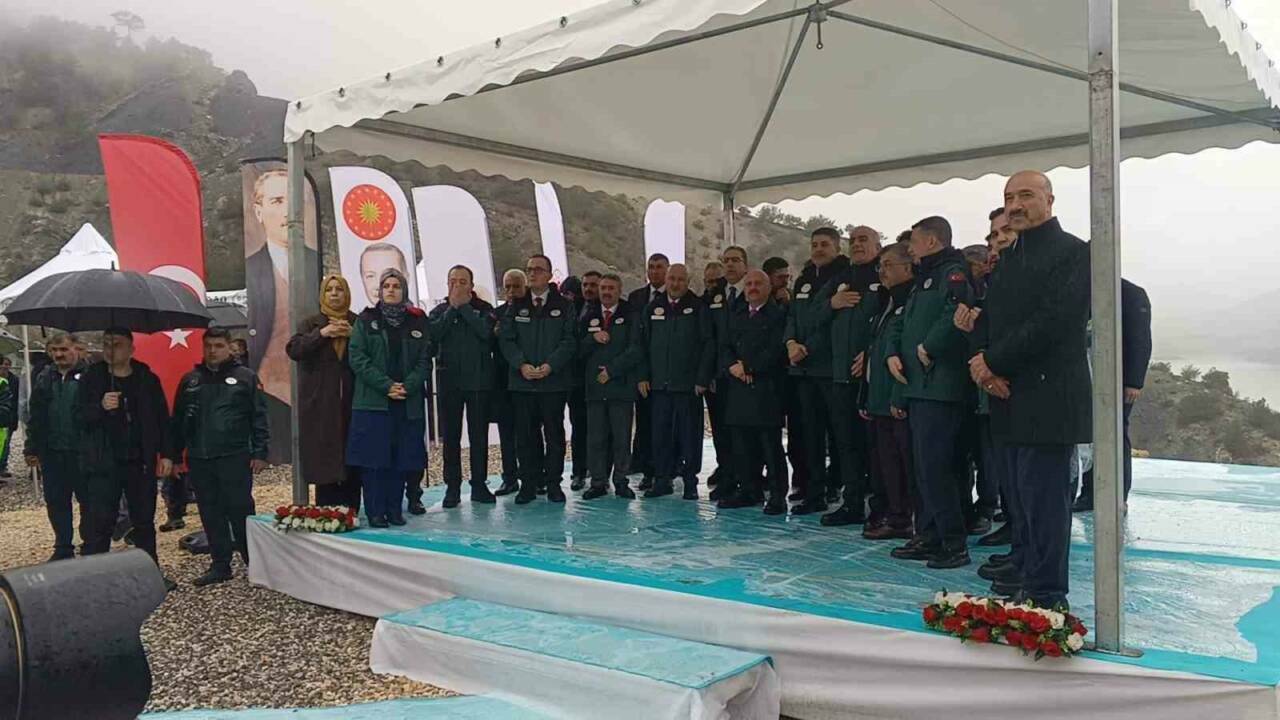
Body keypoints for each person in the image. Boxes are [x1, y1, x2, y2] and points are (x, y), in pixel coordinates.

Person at [966, 170, 1091, 610]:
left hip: (1048, 400)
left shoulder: (1075, 253)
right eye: (1008, 198)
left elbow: (1057, 321)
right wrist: (982, 366)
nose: (1015, 205)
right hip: (1006, 397)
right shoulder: (1010, 257)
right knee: (1019, 501)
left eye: (1026, 195)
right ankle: (1027, 576)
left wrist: (993, 362)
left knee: (1045, 504)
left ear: (1050, 200)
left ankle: (1047, 596)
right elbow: (989, 319)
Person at [887, 216, 973, 570]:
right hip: (918, 387)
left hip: (941, 386)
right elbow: (901, 320)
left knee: (938, 468)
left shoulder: (953, 274)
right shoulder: (923, 278)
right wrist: (893, 351)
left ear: (932, 242)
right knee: (923, 468)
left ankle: (953, 542)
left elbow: (956, 312)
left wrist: (930, 347)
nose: (910, 248)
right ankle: (928, 534)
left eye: (915, 242)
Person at [79, 329, 176, 590]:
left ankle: (150, 574)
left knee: (143, 521)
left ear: (131, 349)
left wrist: (167, 453)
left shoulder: (146, 378)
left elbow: (161, 418)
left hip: (139, 461)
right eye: (106, 344)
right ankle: (95, 580)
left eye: (117, 345)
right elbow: (79, 417)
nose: (110, 350)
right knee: (101, 523)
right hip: (104, 462)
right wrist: (100, 407)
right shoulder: (92, 378)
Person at [172, 328, 270, 586]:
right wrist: (175, 455)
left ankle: (255, 563)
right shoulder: (191, 380)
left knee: (240, 509)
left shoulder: (245, 377)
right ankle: (220, 565)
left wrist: (260, 452)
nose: (212, 351)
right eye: (208, 346)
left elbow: (259, 416)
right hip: (200, 457)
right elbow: (178, 421)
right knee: (210, 511)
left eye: (218, 346)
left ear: (229, 347)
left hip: (234, 455)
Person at [346, 269, 431, 526]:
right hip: (374, 403)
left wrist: (408, 385)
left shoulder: (417, 322)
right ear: (380, 291)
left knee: (401, 459)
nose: (391, 290)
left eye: (396, 286)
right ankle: (375, 511)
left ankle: (395, 510)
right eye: (387, 286)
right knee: (374, 461)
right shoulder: (366, 320)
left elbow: (425, 359)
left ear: (404, 290)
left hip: (406, 402)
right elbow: (357, 358)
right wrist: (386, 386)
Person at [499, 254, 577, 504]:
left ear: (549, 274)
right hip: (523, 384)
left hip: (553, 384)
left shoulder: (564, 305)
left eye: (538, 269)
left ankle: (553, 484)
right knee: (525, 437)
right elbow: (506, 339)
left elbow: (569, 340)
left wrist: (550, 366)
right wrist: (520, 364)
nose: (532, 273)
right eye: (529, 269)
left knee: (554, 436)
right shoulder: (517, 304)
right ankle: (528, 485)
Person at [784, 227, 852, 515]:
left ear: (837, 247)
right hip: (803, 371)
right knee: (809, 435)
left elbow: (832, 324)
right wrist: (790, 343)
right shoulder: (804, 279)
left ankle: (839, 486)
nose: (819, 249)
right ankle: (814, 492)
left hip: (829, 368)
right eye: (814, 245)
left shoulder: (845, 278)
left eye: (825, 244)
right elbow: (793, 316)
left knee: (839, 436)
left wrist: (807, 348)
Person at [821, 225, 883, 526]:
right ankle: (853, 503)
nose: (857, 244)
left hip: (874, 380)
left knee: (879, 448)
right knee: (846, 446)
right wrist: (831, 304)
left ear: (877, 245)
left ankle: (885, 508)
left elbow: (895, 320)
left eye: (863, 240)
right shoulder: (839, 279)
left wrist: (872, 352)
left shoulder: (885, 275)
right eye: (853, 240)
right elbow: (811, 316)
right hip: (841, 379)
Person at [634, 263, 714, 499]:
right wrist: (643, 376)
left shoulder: (698, 307)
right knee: (660, 435)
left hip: (688, 387)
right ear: (666, 281)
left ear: (688, 282)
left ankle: (690, 482)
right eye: (672, 279)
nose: (675, 284)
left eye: (680, 279)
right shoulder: (653, 308)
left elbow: (708, 344)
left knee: (689, 437)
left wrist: (702, 378)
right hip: (659, 386)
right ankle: (662, 480)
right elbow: (641, 345)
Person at [1072, 279, 1152, 512]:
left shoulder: (1131, 294)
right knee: (1091, 435)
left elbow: (1141, 340)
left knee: (1115, 435)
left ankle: (1118, 496)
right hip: (1088, 376)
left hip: (1119, 381)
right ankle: (1090, 494)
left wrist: (1134, 382)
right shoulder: (1082, 290)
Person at [286, 274, 361, 510]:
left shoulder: (358, 323)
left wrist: (355, 336)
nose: (335, 294)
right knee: (324, 461)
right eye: (330, 289)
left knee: (353, 459)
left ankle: (352, 510)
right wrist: (323, 334)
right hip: (321, 406)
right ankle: (327, 516)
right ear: (322, 295)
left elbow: (373, 354)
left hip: (353, 404)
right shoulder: (311, 324)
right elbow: (294, 350)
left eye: (339, 289)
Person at [717, 270, 788, 513]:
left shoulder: (778, 315)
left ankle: (777, 495)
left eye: (758, 283)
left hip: (766, 390)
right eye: (749, 284)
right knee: (742, 446)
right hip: (738, 389)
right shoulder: (736, 314)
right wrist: (733, 366)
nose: (753, 288)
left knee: (770, 447)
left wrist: (749, 367)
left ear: (768, 288)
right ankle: (749, 490)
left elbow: (777, 350)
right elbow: (724, 345)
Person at [428, 265, 499, 508]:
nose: (457, 286)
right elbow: (433, 335)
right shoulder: (438, 311)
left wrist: (465, 308)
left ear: (471, 285)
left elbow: (487, 334)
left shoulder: (485, 309)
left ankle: (479, 484)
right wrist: (452, 309)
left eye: (462, 281)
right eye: (453, 281)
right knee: (451, 437)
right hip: (449, 382)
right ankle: (452, 487)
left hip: (478, 381)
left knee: (478, 436)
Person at [859, 244, 917, 540]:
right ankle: (894, 515)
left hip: (897, 401)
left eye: (888, 265)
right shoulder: (887, 301)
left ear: (907, 267)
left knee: (904, 465)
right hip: (878, 399)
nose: (882, 271)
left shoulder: (911, 300)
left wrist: (898, 396)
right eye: (879, 266)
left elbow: (906, 354)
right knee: (886, 465)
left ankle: (906, 519)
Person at [25, 333, 87, 562]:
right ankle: (63, 546)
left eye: (64, 349)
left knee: (89, 500)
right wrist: (31, 448)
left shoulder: (91, 376)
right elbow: (36, 415)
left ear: (76, 349)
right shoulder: (45, 377)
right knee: (56, 500)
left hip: (83, 452)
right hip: (53, 452)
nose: (59, 354)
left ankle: (91, 542)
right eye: (54, 350)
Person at [580, 273, 640, 499]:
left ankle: (621, 481)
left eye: (611, 288)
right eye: (603, 288)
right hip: (595, 388)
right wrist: (592, 339)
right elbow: (576, 348)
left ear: (619, 290)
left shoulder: (630, 314)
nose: (606, 292)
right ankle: (598, 482)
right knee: (595, 439)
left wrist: (612, 371)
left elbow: (636, 349)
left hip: (620, 387)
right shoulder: (588, 315)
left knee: (621, 439)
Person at [706, 246, 748, 497]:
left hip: (745, 373)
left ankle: (749, 480)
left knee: (744, 432)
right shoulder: (715, 294)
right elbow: (707, 336)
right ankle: (728, 478)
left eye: (735, 260)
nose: (730, 265)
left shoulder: (754, 289)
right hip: (719, 375)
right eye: (727, 261)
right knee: (721, 432)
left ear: (745, 265)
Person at [627, 253, 669, 492]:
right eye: (651, 267)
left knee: (666, 427)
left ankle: (668, 470)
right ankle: (648, 471)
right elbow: (636, 339)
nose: (654, 271)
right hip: (643, 374)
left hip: (669, 374)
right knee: (645, 425)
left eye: (659, 267)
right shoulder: (636, 298)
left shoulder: (676, 296)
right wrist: (640, 374)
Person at [491, 269, 527, 497]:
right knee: (506, 433)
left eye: (516, 286)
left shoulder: (533, 311)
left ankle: (534, 476)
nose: (512, 291)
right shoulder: (496, 314)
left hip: (527, 380)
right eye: (508, 287)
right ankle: (510, 478)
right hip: (503, 382)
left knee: (530, 432)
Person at [569, 270, 603, 491]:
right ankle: (579, 472)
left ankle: (602, 473)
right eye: (585, 285)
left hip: (600, 378)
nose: (589, 289)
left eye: (593, 285)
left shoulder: (607, 310)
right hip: (575, 380)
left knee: (601, 429)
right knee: (579, 427)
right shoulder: (573, 309)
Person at [359, 243, 410, 307]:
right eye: (370, 276)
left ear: (406, 278)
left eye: (389, 274)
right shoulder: (364, 314)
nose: (379, 285)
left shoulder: (415, 313)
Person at [0, 356, 17, 480]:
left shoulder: (12, 380)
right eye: (3, 364)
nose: (4, 366)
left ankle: (2, 467)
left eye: (7, 364)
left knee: (5, 445)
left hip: (6, 421)